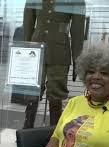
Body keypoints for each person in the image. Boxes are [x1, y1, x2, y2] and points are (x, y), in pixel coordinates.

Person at [22, 0, 86, 128]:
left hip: (59, 51)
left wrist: (77, 59)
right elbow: (28, 23)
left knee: (56, 94)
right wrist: (26, 50)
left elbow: (77, 31)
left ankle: (54, 134)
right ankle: (26, 129)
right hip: (36, 49)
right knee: (32, 92)